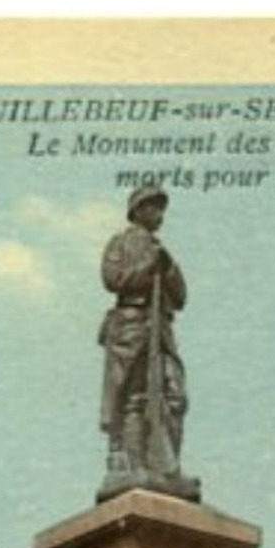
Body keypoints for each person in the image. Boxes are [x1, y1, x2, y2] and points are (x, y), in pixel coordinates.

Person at [97, 186, 197, 499]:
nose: (159, 215)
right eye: (153, 208)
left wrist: (166, 268)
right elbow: (112, 279)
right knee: (134, 397)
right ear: (138, 210)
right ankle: (135, 464)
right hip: (131, 323)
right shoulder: (120, 243)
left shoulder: (161, 250)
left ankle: (168, 467)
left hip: (161, 327)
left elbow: (180, 297)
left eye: (161, 209)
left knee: (174, 396)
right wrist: (146, 269)